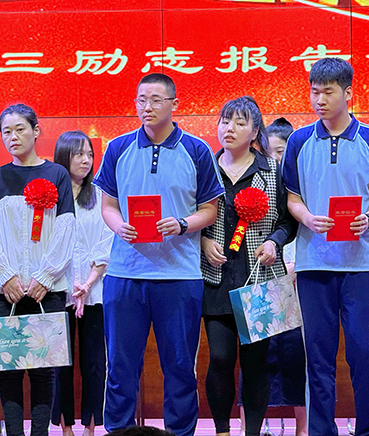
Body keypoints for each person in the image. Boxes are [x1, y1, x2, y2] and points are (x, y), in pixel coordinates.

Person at [93, 73, 223, 436]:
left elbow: (210, 210)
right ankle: (117, 431)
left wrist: (182, 224)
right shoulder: (118, 148)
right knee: (120, 367)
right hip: (125, 274)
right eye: (141, 100)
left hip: (179, 276)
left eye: (155, 100)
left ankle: (180, 432)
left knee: (180, 367)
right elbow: (108, 205)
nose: (146, 107)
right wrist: (118, 226)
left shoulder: (196, 150)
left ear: (174, 104)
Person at [282, 57, 369, 436]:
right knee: (318, 359)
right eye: (314, 92)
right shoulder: (299, 141)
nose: (319, 100)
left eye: (328, 92)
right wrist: (308, 218)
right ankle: (320, 431)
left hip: (362, 267)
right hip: (314, 265)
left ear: (348, 93)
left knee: (364, 355)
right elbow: (292, 199)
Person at [200, 97, 296, 436]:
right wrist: (203, 242)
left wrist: (274, 242)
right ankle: (222, 430)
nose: (230, 129)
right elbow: (191, 216)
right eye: (225, 121)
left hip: (261, 278)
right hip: (216, 278)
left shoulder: (273, 171)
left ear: (255, 131)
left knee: (256, 363)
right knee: (220, 358)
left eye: (240, 123)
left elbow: (288, 221)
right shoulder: (206, 168)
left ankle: (252, 432)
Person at [0, 103, 75, 436]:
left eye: (20, 129)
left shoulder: (57, 175)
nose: (13, 137)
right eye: (6, 131)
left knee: (44, 370)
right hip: (3, 291)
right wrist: (6, 276)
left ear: (36, 131)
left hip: (47, 289)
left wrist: (45, 277)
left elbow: (65, 230)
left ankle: (40, 433)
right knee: (10, 368)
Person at [239, 116, 308, 436]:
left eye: (283, 153)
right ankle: (250, 427)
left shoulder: (302, 189)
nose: (277, 160)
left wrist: (296, 267)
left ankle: (302, 428)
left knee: (296, 359)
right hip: (263, 282)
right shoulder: (255, 186)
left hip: (298, 286)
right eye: (273, 152)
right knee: (254, 358)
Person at [50, 131, 113, 436]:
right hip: (57, 288)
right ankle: (65, 426)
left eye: (89, 154)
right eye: (78, 154)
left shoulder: (99, 195)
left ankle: (91, 425)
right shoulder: (49, 196)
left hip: (94, 290)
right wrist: (67, 281)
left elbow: (106, 241)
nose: (86, 160)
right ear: (63, 157)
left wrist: (87, 283)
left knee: (94, 362)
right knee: (60, 362)